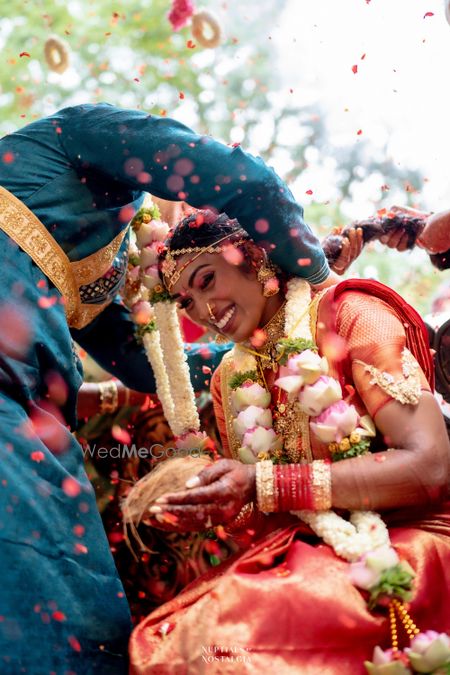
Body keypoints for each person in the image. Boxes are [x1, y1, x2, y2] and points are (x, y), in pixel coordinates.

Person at [0, 103, 333, 673]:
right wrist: (319, 281)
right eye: (188, 292)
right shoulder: (80, 132)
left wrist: (278, 344)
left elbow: (141, 363)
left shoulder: (107, 252)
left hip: (27, 422)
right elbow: (242, 179)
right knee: (61, 626)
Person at [128, 210, 450, 674]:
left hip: (408, 541)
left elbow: (429, 468)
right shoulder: (229, 378)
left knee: (220, 645)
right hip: (311, 550)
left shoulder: (351, 313)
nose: (203, 309)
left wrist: (260, 485)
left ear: (255, 258)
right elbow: (260, 515)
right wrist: (215, 504)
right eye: (185, 302)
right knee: (170, 641)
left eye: (206, 280)